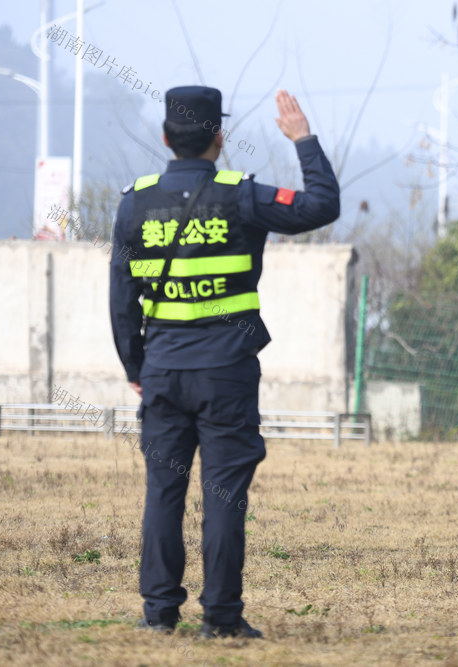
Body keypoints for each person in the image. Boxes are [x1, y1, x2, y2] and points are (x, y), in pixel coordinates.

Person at [108, 85, 340, 639]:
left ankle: (159, 614)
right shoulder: (242, 197)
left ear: (166, 138)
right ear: (218, 137)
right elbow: (321, 205)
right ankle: (221, 618)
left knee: (164, 493)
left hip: (163, 372)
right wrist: (303, 139)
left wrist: (136, 369)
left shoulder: (135, 203)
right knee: (224, 496)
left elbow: (121, 299)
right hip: (226, 375)